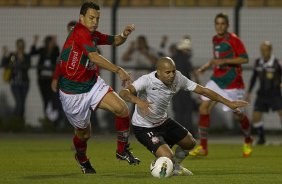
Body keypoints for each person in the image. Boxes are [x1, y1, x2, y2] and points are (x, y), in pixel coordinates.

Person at [119, 57, 248, 176]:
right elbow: (123, 93)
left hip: (163, 121)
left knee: (190, 143)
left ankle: (175, 167)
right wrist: (138, 101)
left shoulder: (178, 78)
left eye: (173, 71)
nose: (171, 75)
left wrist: (228, 102)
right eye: (167, 72)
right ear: (158, 71)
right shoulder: (146, 80)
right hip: (144, 127)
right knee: (167, 156)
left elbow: (203, 90)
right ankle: (162, 163)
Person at [56, 2, 140, 174]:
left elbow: (115, 40)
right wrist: (118, 70)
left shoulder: (92, 34)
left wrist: (124, 34)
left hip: (92, 83)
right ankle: (82, 158)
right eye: (91, 18)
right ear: (81, 18)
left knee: (122, 109)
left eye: (97, 18)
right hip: (73, 93)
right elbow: (94, 57)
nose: (95, 21)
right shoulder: (79, 32)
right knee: (84, 135)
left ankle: (122, 150)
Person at [189, 13, 253, 157]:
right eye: (217, 23)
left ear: (227, 25)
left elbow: (245, 59)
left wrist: (225, 62)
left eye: (222, 23)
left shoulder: (234, 40)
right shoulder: (215, 39)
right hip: (217, 80)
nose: (220, 26)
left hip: (232, 84)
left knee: (238, 115)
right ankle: (203, 147)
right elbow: (217, 58)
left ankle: (248, 139)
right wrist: (207, 65)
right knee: (203, 107)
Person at [246, 41, 282, 145]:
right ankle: (261, 138)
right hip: (262, 94)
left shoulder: (277, 63)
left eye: (265, 50)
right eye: (262, 50)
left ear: (270, 50)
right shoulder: (258, 62)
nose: (263, 52)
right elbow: (253, 78)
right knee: (255, 116)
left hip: (275, 94)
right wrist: (248, 92)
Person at [30, 35, 61, 125]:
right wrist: (35, 42)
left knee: (54, 98)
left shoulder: (55, 50)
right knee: (45, 99)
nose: (52, 44)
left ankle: (55, 120)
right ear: (47, 43)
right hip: (42, 80)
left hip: (51, 79)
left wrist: (55, 44)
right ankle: (47, 120)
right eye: (51, 42)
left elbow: (58, 53)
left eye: (53, 42)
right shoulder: (42, 50)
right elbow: (32, 53)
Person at [171, 37, 199, 134]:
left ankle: (177, 132)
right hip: (184, 89)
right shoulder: (186, 59)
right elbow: (193, 73)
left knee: (178, 111)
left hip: (174, 89)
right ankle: (188, 132)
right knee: (187, 111)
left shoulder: (172, 59)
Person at [1, 39, 31, 121]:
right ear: (16, 46)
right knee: (19, 103)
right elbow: (3, 64)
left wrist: (22, 60)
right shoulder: (12, 56)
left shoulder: (26, 56)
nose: (20, 47)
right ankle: (14, 121)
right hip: (15, 83)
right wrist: (4, 54)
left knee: (23, 104)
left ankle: (20, 122)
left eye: (22, 46)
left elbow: (28, 67)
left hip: (25, 83)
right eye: (19, 45)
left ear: (24, 46)